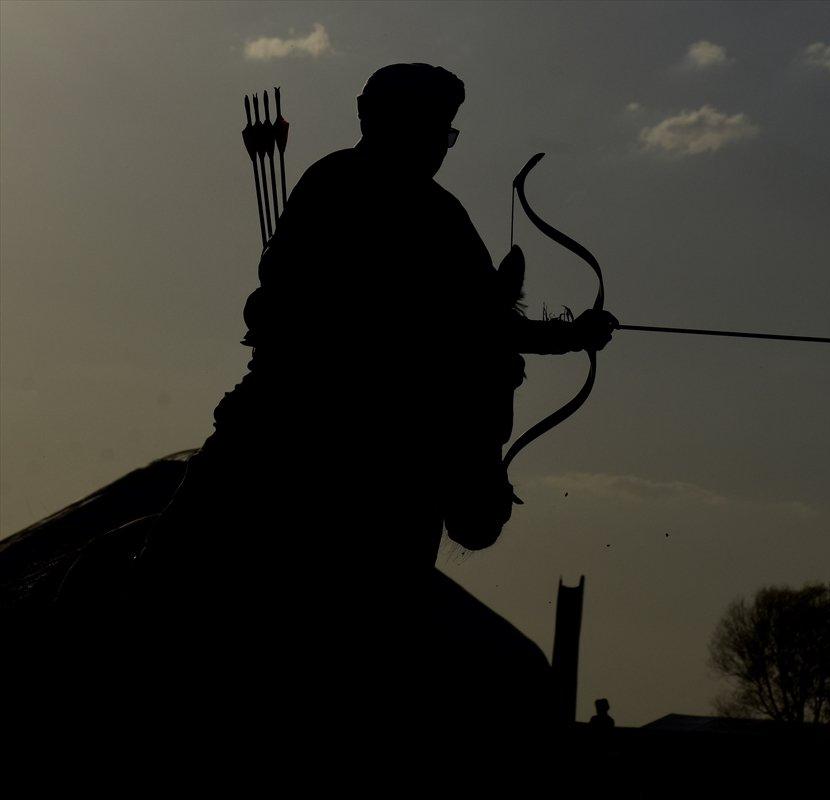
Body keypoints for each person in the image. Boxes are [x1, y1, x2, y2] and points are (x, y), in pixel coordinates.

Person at [142, 63, 616, 618]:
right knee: (166, 570)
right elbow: (277, 298)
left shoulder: (444, 215)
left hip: (394, 429)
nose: (441, 146)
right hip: (289, 414)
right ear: (382, 121)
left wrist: (570, 335)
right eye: (434, 129)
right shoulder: (334, 183)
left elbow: (483, 325)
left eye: (447, 133)